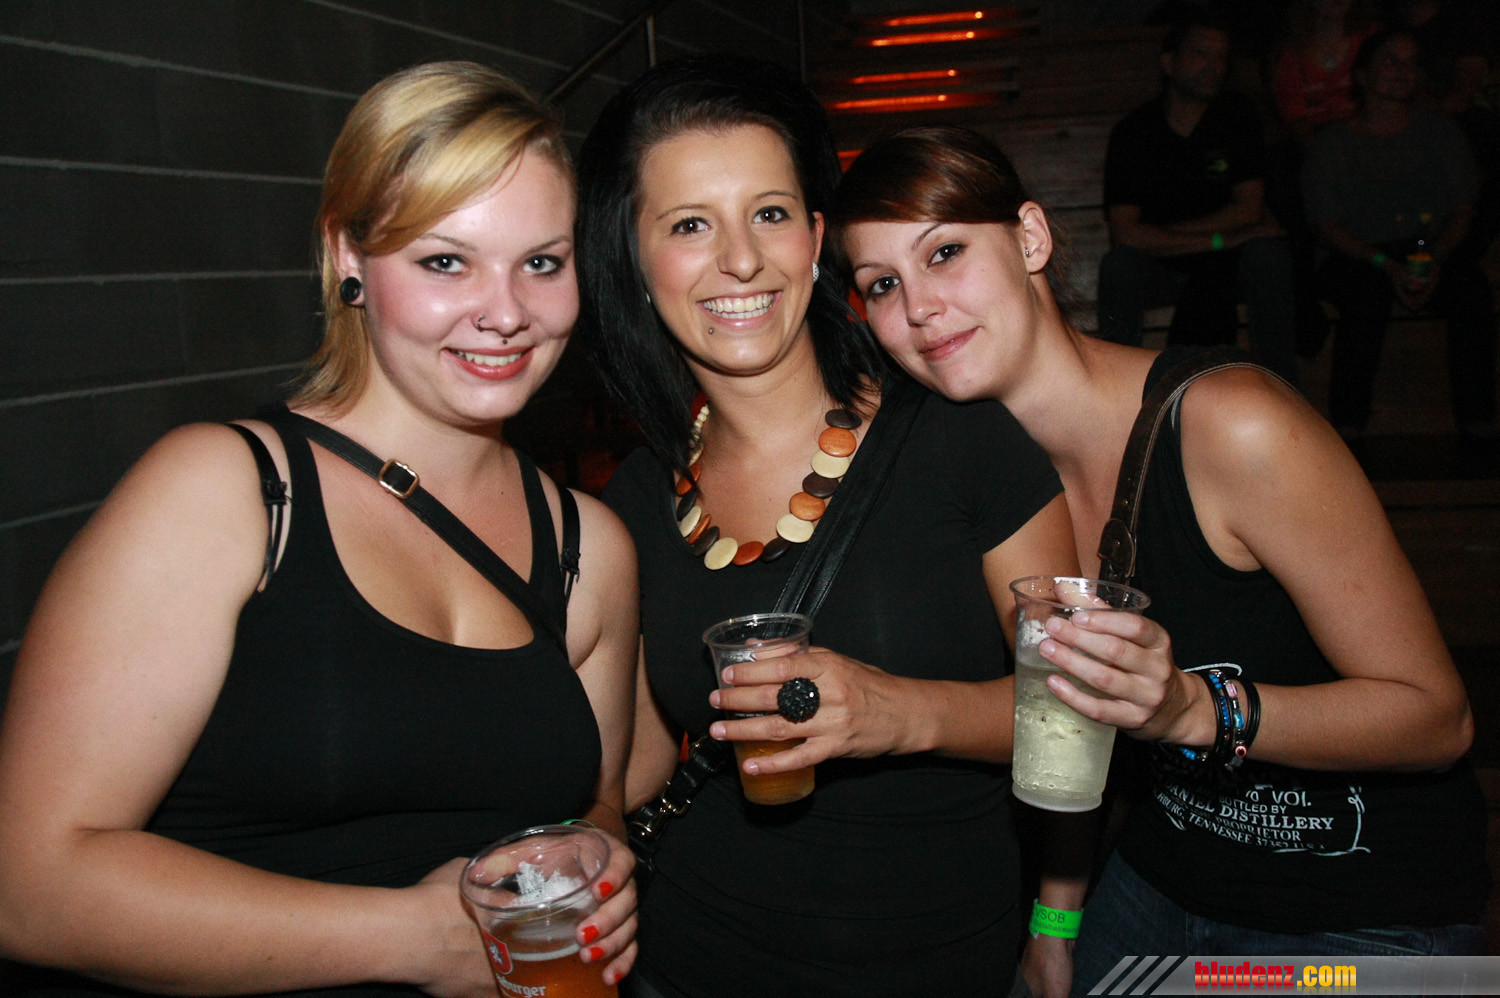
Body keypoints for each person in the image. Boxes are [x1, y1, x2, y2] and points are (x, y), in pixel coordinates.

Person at [0, 61, 639, 997]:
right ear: (348, 256)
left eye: (541, 263)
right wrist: (414, 941)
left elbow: (597, 804)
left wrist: (597, 858)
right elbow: (26, 883)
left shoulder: (591, 549)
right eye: (445, 261)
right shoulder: (226, 493)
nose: (506, 313)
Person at [834, 124, 1489, 997]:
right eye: (882, 284)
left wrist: (1190, 709)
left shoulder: (1233, 425)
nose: (918, 307)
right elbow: (1071, 723)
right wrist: (1056, 921)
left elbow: (1438, 720)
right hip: (1159, 880)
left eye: (944, 252)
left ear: (1030, 237)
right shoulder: (999, 486)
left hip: (1360, 908)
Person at [574, 56, 1081, 998]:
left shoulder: (963, 439)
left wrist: (902, 714)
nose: (741, 259)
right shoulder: (636, 499)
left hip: (933, 966)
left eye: (769, 213)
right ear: (634, 264)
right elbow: (636, 764)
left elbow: (1074, 717)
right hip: (691, 961)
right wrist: (588, 837)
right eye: (690, 225)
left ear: (815, 239)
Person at [1302, 28, 1497, 439]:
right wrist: (1386, 265)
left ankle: (1478, 422)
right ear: (1362, 75)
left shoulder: (1441, 133)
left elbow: (1463, 209)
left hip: (1426, 251)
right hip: (1358, 255)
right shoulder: (1333, 143)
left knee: (1472, 289)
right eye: (1391, 61)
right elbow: (1328, 225)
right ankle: (1348, 427)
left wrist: (1432, 262)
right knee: (1365, 293)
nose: (1402, 71)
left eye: (1411, 63)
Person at [1097, 13, 1300, 385]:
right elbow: (1125, 233)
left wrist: (1179, 237)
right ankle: (1115, 389)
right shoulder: (1134, 132)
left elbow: (1249, 209)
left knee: (1267, 255)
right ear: (1169, 63)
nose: (1213, 65)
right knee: (1119, 266)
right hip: (1162, 263)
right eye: (1200, 53)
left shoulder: (1238, 119)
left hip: (1224, 260)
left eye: (1221, 56)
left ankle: (1283, 388)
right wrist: (1219, 238)